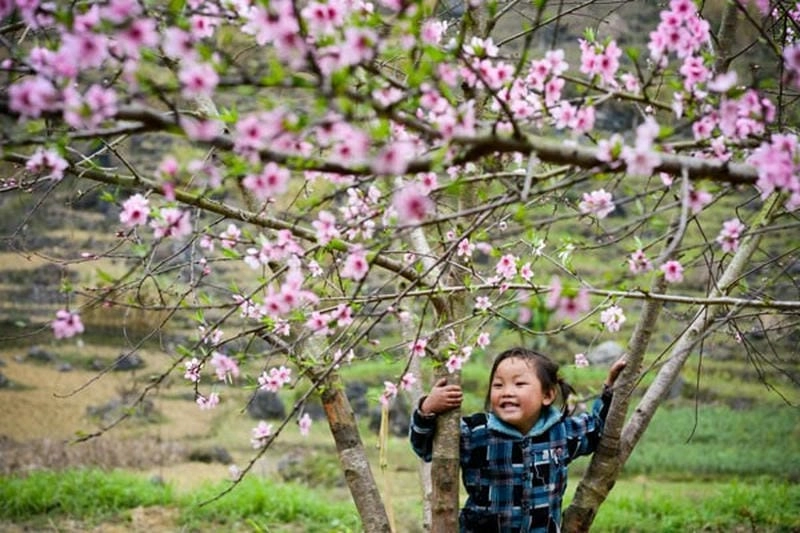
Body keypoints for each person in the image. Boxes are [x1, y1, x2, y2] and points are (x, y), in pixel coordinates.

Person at [409, 346, 627, 533]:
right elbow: (427, 447)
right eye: (498, 385)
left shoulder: (560, 433)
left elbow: (598, 429)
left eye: (519, 384)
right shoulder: (476, 433)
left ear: (547, 395)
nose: (507, 392)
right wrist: (427, 409)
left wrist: (610, 388)